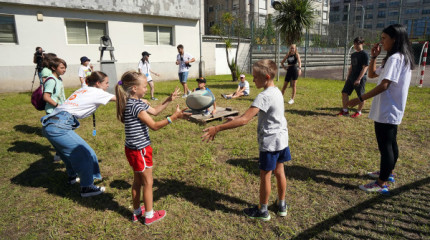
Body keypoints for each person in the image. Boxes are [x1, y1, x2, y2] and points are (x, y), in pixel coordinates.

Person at [202, 59, 290, 221]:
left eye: (256, 77)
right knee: (280, 171)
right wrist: (235, 118)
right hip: (282, 140)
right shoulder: (277, 91)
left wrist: (217, 128)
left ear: (267, 77)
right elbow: (248, 116)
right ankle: (282, 204)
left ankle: (263, 210)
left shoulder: (263, 96)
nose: (253, 79)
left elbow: (244, 120)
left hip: (270, 143)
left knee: (266, 175)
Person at [346, 24, 415, 194]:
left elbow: (384, 85)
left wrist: (359, 98)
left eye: (384, 38)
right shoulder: (399, 57)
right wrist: (374, 57)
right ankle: (388, 172)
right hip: (391, 109)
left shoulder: (395, 59)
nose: (381, 41)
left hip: (387, 109)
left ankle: (381, 182)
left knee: (386, 147)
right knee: (391, 143)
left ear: (395, 39)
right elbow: (372, 74)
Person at [115, 71, 190, 225]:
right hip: (140, 150)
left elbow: (154, 111)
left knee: (137, 181)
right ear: (135, 88)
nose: (147, 88)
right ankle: (149, 215)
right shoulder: (136, 106)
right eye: (144, 86)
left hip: (132, 149)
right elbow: (155, 126)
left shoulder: (133, 102)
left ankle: (136, 212)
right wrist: (173, 118)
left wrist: (169, 100)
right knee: (148, 182)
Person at [41, 71, 116, 197]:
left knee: (66, 154)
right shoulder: (97, 92)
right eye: (106, 83)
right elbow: (119, 99)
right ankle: (87, 188)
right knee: (86, 154)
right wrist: (140, 100)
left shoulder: (82, 89)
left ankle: (72, 177)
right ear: (98, 83)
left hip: (49, 123)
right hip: (60, 125)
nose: (108, 85)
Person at [337, 37, 369, 118]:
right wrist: (348, 77)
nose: (356, 45)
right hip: (351, 77)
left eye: (358, 44)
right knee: (344, 93)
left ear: (362, 44)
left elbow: (365, 67)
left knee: (361, 96)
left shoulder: (364, 54)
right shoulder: (353, 54)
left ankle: (359, 111)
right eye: (355, 44)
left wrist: (359, 79)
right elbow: (351, 66)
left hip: (359, 78)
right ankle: (345, 111)